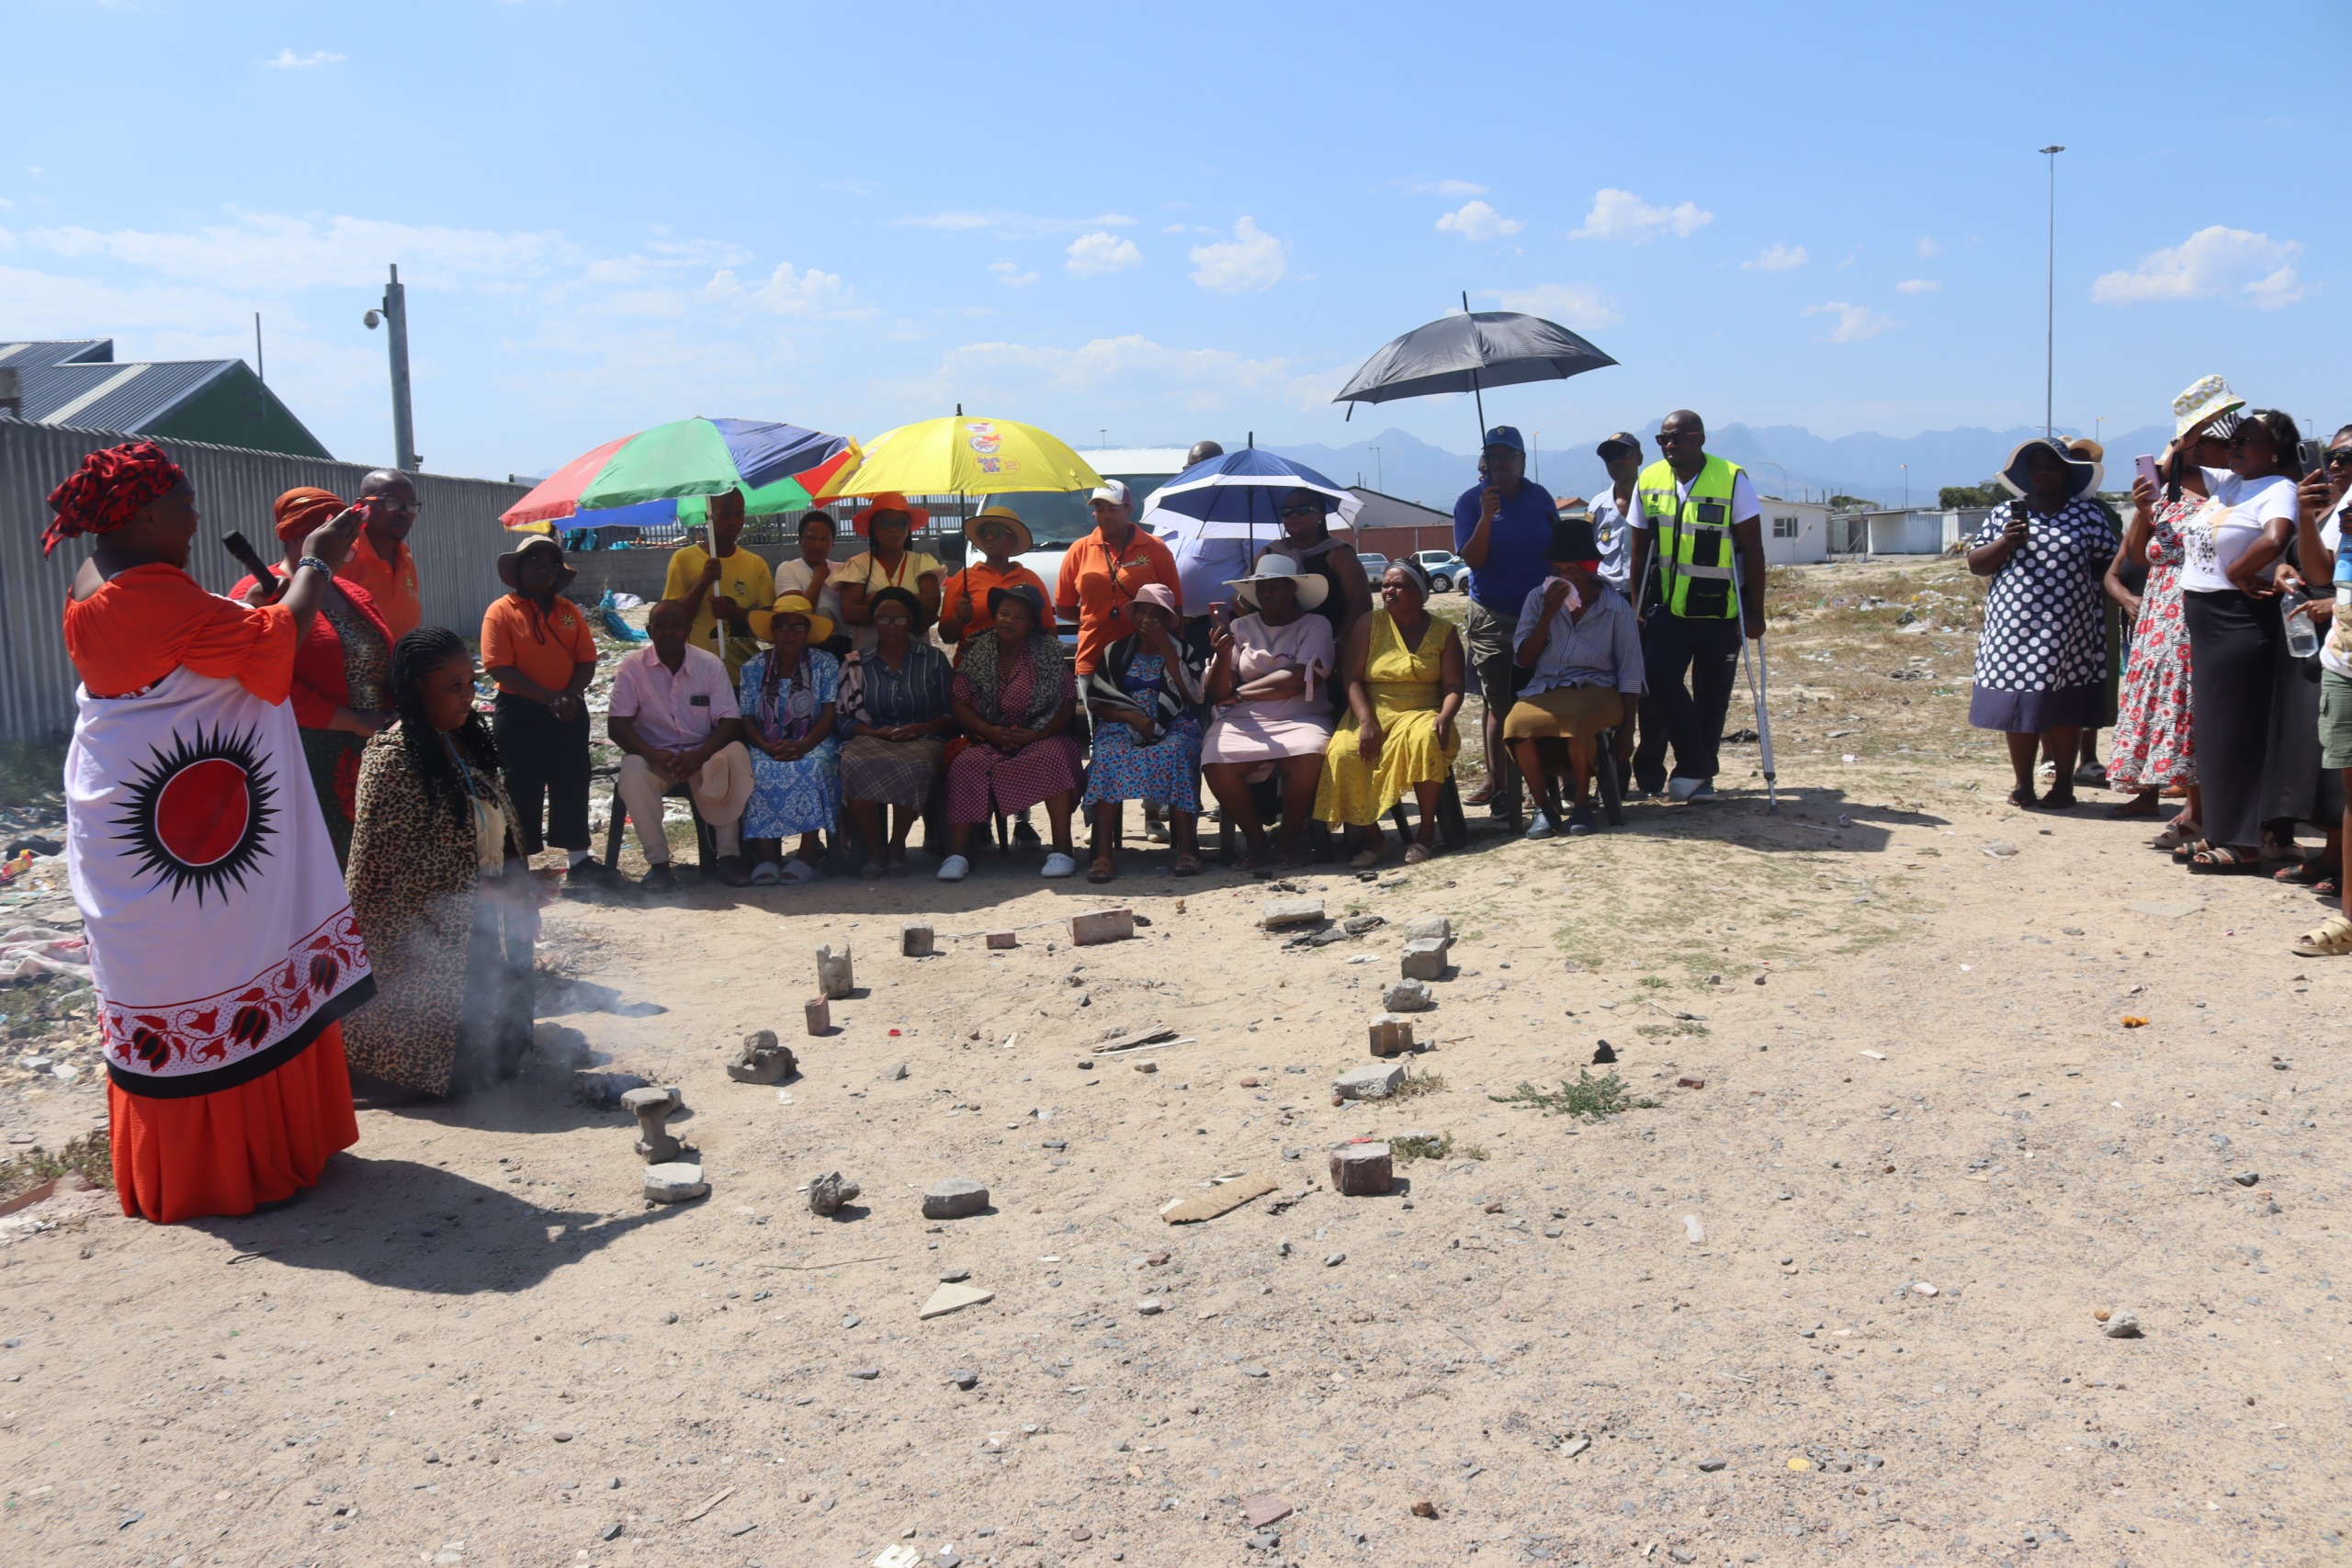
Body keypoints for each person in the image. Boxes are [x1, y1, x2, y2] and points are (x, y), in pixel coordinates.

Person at [51, 440, 366, 1223]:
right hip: (185, 836)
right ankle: (243, 1166)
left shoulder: (96, 577)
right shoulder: (148, 597)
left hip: (130, 816)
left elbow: (204, 647)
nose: (196, 521)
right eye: (185, 507)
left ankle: (187, 1165)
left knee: (173, 983)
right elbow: (269, 651)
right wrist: (315, 565)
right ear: (147, 513)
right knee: (230, 962)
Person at [344, 627, 536, 1097]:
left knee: (501, 1062)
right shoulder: (390, 759)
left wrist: (517, 884)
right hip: (414, 954)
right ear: (414, 689)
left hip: (476, 930)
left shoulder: (467, 741)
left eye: (471, 684)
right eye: (454, 687)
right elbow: (389, 876)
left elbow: (495, 830)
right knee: (453, 1077)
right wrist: (488, 891)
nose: (468, 697)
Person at [2165, 408, 2304, 872]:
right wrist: (2197, 425)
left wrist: (2239, 569)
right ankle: (2223, 829)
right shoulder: (2228, 484)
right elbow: (2173, 467)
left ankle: (2248, 842)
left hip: (2241, 617)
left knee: (2240, 732)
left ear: (2277, 450)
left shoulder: (2278, 488)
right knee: (2216, 732)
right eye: (2232, 441)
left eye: (2247, 440)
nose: (2236, 447)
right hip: (2207, 618)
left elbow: (2277, 536)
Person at [230, 487, 394, 866]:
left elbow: (386, 657)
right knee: (323, 866)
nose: (348, 552)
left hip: (369, 750)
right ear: (304, 540)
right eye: (341, 542)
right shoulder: (260, 593)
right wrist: (353, 721)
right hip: (306, 753)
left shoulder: (353, 592)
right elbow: (268, 681)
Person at [2106, 389, 2237, 838]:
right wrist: (2143, 509)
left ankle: (2197, 808)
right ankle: (2172, 800)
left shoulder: (2225, 485)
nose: (2194, 448)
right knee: (2159, 699)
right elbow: (2138, 556)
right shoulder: (2165, 490)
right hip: (2158, 610)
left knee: (2188, 700)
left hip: (2192, 602)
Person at [1964, 438, 2120, 809]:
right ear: (2027, 474)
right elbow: (1977, 564)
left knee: (2066, 705)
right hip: (2014, 627)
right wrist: (2006, 542)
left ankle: (2064, 786)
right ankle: (2023, 784)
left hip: (2072, 627)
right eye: (2036, 467)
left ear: (2067, 472)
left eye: (2051, 467)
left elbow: (2108, 561)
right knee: (2018, 704)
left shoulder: (2088, 515)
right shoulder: (2005, 514)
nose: (2043, 473)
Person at [1626, 410, 1767, 802]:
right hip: (1667, 610)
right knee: (1657, 680)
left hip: (1719, 611)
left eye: (1677, 438)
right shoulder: (1649, 480)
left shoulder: (1732, 479)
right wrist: (1637, 606)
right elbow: (1639, 552)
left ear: (1699, 438)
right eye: (1662, 439)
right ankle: (1698, 763)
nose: (1669, 446)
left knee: (1711, 697)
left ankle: (1699, 776)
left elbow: (1753, 549)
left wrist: (1755, 611)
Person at [1316, 559, 1464, 866]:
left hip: (1422, 710)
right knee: (1342, 752)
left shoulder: (1443, 632)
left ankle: (1424, 834)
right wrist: (1367, 721)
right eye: (1385, 585)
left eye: (1399, 586)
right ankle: (1375, 839)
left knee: (1427, 739)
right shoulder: (1369, 624)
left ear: (1420, 594)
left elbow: (1454, 685)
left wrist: (1445, 716)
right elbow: (1351, 677)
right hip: (1372, 709)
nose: (1389, 591)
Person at [1505, 516, 1645, 838]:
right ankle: (1544, 808)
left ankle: (1582, 804)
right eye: (1557, 571)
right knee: (1516, 724)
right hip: (1548, 687)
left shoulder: (1615, 608)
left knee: (1576, 720)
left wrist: (1629, 730)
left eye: (1572, 571)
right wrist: (1548, 615)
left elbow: (1630, 670)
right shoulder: (1537, 600)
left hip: (1599, 688)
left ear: (1589, 568)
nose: (1563, 579)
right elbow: (1525, 659)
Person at [482, 536, 607, 890]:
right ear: (519, 569)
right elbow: (498, 668)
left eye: (551, 563)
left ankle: (579, 861)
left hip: (567, 709)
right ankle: (518, 865)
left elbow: (586, 659)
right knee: (521, 784)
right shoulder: (501, 611)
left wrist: (569, 696)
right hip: (520, 711)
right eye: (534, 561)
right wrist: (549, 698)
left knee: (573, 778)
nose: (543, 568)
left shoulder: (569, 611)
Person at [938, 582, 1084, 881]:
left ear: (1031, 624)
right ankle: (957, 854)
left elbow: (1067, 703)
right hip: (988, 735)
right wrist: (988, 731)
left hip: (1040, 734)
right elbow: (959, 701)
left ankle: (1062, 849)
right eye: (1004, 613)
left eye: (1018, 617)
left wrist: (1035, 735)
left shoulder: (1050, 651)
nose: (1009, 620)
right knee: (965, 764)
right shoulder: (976, 648)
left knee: (1054, 757)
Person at [607, 599, 755, 893]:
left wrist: (699, 755)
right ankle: (659, 865)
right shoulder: (632, 668)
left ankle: (727, 859)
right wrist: (653, 756)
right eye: (660, 626)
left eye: (676, 626)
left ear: (688, 630)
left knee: (734, 755)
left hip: (702, 755)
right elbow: (617, 726)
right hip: (656, 758)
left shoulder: (709, 664)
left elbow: (729, 722)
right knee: (633, 770)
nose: (668, 632)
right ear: (649, 631)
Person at [1201, 555, 1338, 870]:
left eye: (1274, 587)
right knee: (1214, 758)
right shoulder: (1239, 626)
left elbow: (1297, 679)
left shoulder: (1315, 624)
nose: (1266, 595)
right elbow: (1219, 692)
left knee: (1310, 753)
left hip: (1302, 715)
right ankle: (1256, 840)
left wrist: (1240, 693)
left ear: (1292, 588)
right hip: (1244, 717)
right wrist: (1222, 657)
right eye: (1260, 588)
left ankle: (1288, 838)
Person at [1452, 426, 1558, 819]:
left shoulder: (1540, 496)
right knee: (1499, 702)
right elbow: (1474, 560)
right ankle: (1502, 788)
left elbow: (1556, 546)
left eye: (1507, 456)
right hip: (1493, 614)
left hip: (1541, 612)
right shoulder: (1469, 502)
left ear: (1522, 460)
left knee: (1540, 697)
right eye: (1493, 457)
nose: (1500, 463)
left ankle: (1538, 779)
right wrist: (1485, 515)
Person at [1081, 582, 1207, 881]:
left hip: (1174, 721)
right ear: (1133, 614)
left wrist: (1166, 646)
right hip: (1122, 722)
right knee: (1109, 756)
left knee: (1176, 751)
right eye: (1142, 612)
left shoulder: (1183, 650)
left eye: (1156, 614)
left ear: (1167, 620)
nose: (1147, 620)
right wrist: (1130, 716)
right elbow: (1099, 702)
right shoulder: (1116, 651)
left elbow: (1192, 696)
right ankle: (1103, 854)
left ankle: (1187, 849)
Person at [839, 585, 957, 877]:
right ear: (874, 621)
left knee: (913, 765)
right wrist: (874, 733)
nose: (890, 626)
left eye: (899, 619)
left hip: (923, 737)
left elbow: (953, 713)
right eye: (883, 618)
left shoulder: (933, 660)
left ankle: (896, 846)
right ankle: (874, 849)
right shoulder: (856, 662)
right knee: (853, 762)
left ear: (911, 622)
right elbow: (842, 718)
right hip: (873, 736)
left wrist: (924, 727)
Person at [736, 593, 842, 885]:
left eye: (798, 627)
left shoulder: (825, 663)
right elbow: (746, 716)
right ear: (773, 630)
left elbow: (829, 711)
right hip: (764, 743)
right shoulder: (753, 666)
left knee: (814, 768)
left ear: (808, 632)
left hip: (813, 741)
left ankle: (807, 854)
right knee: (755, 770)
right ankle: (768, 855)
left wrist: (804, 746)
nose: (790, 633)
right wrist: (765, 746)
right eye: (783, 626)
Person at [2294, 427, 2352, 954]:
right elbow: (2323, 574)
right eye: (2331, 456)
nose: (2336, 465)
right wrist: (2311, 521)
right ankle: (2349, 920)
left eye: (2347, 457)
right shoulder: (2345, 509)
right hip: (2344, 664)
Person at [1056, 479, 1182, 675]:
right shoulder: (1079, 549)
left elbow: (1175, 606)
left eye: (1113, 509)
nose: (1106, 515)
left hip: (1145, 657)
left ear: (1128, 510)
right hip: (1094, 657)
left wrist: (1178, 655)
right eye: (1100, 509)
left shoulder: (1154, 547)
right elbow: (1063, 608)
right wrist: (1095, 619)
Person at [662, 488, 774, 681]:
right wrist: (703, 581)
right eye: (725, 515)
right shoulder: (683, 559)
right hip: (698, 676)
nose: (733, 522)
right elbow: (672, 620)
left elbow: (769, 624)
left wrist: (733, 613)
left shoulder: (756, 564)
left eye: (739, 515)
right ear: (709, 516)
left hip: (745, 676)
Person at [1256, 487, 1371, 646]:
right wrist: (1245, 602)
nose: (1294, 515)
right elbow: (1241, 598)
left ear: (1320, 516)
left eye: (1303, 509)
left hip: (1330, 645)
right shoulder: (1269, 552)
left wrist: (1340, 643)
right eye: (1287, 511)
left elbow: (1361, 603)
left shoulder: (1339, 553)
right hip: (1275, 646)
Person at [838, 491, 944, 655]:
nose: (894, 529)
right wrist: (911, 610)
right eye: (886, 523)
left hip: (916, 657)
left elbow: (932, 604)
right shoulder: (858, 565)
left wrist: (874, 599)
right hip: (868, 657)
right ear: (873, 528)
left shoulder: (922, 562)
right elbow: (850, 613)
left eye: (901, 523)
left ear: (908, 529)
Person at [334, 468, 424, 641]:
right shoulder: (342, 558)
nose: (403, 512)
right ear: (362, 506)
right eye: (392, 502)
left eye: (411, 505)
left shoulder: (405, 559)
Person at [939, 505, 1048, 646]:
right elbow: (947, 638)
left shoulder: (1031, 579)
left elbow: (1048, 629)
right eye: (983, 532)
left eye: (997, 532)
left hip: (1022, 666)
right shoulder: (962, 579)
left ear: (1013, 539)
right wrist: (958, 618)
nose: (989, 537)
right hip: (973, 666)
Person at [770, 509, 849, 657]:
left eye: (824, 539)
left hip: (840, 650)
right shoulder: (788, 569)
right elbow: (798, 616)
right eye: (811, 538)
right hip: (803, 651)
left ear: (832, 544)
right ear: (800, 541)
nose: (817, 545)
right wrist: (818, 579)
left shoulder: (842, 571)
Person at [1588, 431, 1645, 596]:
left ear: (1639, 458)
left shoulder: (1655, 502)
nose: (1616, 461)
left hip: (1647, 595)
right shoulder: (1597, 507)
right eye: (1609, 456)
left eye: (1623, 453)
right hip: (1608, 596)